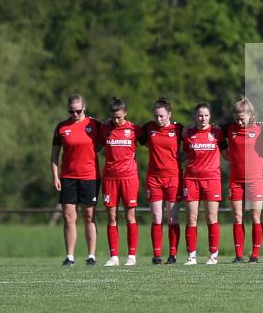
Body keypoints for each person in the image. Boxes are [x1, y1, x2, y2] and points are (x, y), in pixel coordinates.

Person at [51, 94, 101, 266]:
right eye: (71, 111)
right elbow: (54, 154)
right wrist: (55, 176)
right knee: (68, 217)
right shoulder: (62, 127)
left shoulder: (94, 125)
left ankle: (91, 255)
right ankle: (70, 256)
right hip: (68, 177)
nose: (75, 114)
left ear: (84, 108)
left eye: (78, 111)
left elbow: (107, 140)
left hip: (90, 177)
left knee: (89, 216)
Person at [138, 97, 184, 265]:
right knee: (156, 217)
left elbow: (193, 142)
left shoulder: (178, 129)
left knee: (172, 217)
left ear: (169, 114)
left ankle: (172, 255)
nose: (158, 119)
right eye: (156, 116)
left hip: (174, 177)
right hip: (154, 178)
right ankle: (156, 256)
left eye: (162, 116)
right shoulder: (148, 128)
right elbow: (133, 134)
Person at [98, 97, 143, 267]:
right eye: (113, 117)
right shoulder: (104, 129)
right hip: (110, 178)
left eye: (119, 116)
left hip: (129, 178)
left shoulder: (134, 129)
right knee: (111, 216)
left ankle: (131, 255)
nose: (116, 120)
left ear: (125, 113)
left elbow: (153, 140)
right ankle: (114, 256)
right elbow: (94, 145)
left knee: (130, 216)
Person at [182, 103, 227, 265]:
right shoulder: (188, 133)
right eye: (200, 115)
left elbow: (226, 153)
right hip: (191, 179)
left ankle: (213, 255)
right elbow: (185, 154)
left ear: (210, 117)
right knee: (191, 218)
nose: (203, 118)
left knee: (211, 217)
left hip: (212, 179)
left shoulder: (217, 133)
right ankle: (191, 256)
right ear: (195, 116)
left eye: (206, 115)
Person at [224, 97, 263, 263]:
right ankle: (239, 255)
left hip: (255, 180)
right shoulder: (229, 129)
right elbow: (215, 136)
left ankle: (255, 255)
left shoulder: (261, 129)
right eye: (236, 119)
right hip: (236, 180)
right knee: (237, 217)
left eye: (242, 119)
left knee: (255, 216)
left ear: (250, 115)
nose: (239, 122)